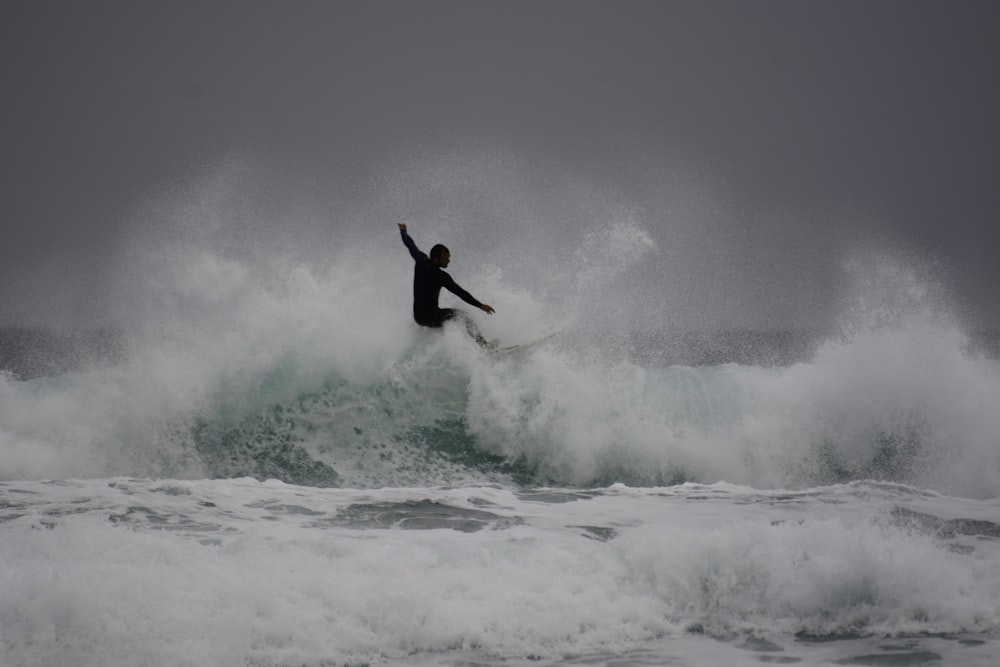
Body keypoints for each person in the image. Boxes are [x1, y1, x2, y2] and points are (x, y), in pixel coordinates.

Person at [397, 223, 496, 347]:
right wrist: (480, 305)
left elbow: (410, 245)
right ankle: (484, 346)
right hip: (431, 317)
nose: (449, 260)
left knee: (451, 320)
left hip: (418, 317)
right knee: (463, 317)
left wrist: (403, 232)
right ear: (436, 259)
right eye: (446, 258)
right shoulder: (441, 276)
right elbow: (461, 293)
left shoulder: (421, 261)